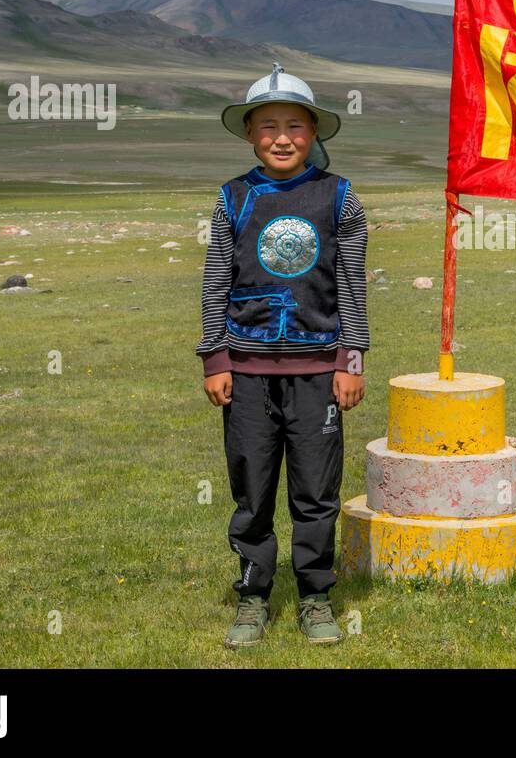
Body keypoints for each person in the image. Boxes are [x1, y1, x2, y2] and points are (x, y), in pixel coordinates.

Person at [196, 63, 368, 647]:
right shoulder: (232, 198)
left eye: (295, 125)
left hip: (320, 369)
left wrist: (352, 362)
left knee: (316, 488)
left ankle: (315, 596)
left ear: (314, 131)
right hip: (245, 371)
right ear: (249, 133)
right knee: (252, 484)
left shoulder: (340, 197)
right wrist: (214, 358)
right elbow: (215, 282)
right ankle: (253, 595)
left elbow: (352, 287)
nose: (282, 137)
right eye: (268, 125)